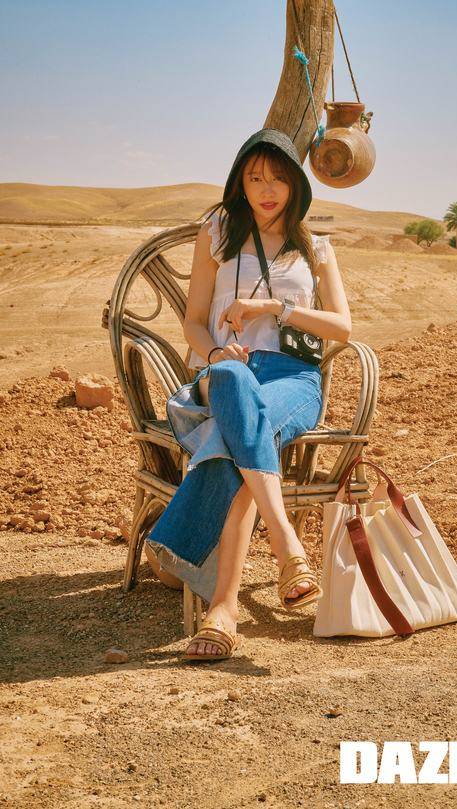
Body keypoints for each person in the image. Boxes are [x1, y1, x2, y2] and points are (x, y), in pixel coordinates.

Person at [146, 128, 352, 661]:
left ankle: (222, 607)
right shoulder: (217, 232)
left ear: (296, 185)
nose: (267, 189)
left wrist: (274, 308)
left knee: (237, 444)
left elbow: (342, 328)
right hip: (227, 372)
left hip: (293, 379)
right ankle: (285, 543)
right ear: (239, 182)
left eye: (278, 178)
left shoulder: (316, 248)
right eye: (255, 178)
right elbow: (194, 322)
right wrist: (217, 354)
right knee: (236, 386)